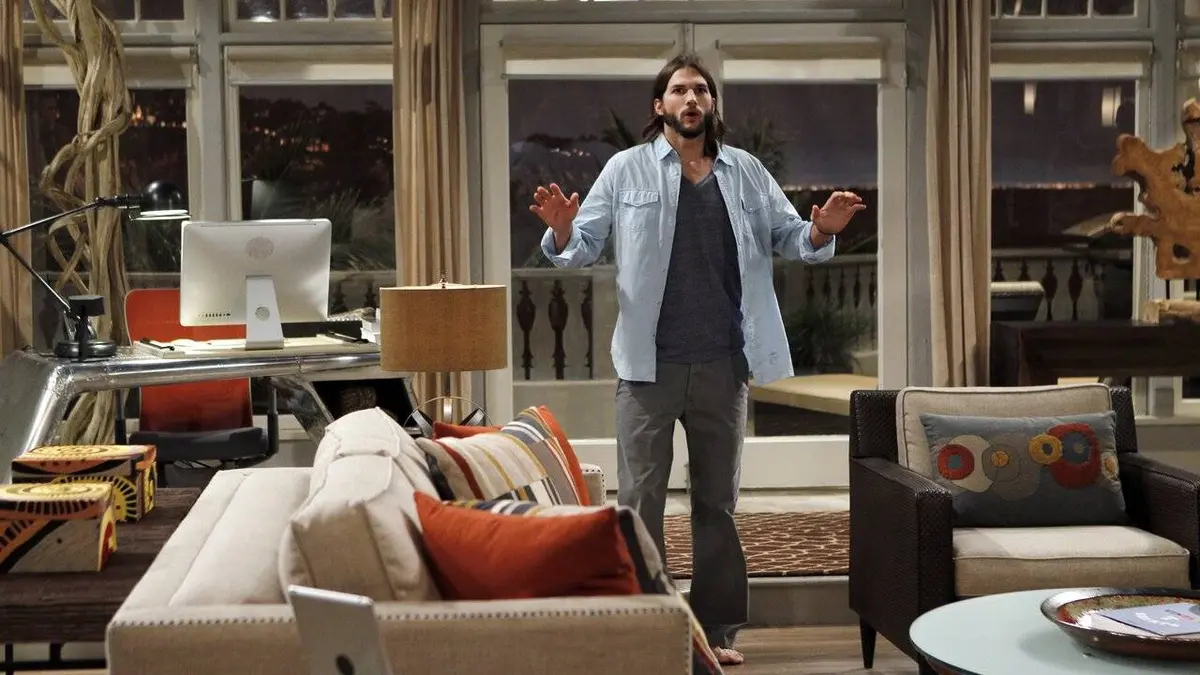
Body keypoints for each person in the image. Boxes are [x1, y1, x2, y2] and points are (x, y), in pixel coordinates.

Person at [530, 52, 864, 666]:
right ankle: (649, 628)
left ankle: (716, 632)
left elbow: (794, 238)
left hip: (723, 365)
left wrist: (823, 230)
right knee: (641, 503)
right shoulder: (625, 170)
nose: (691, 99)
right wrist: (560, 229)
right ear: (659, 105)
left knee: (717, 506)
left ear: (711, 105)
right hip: (646, 369)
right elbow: (580, 249)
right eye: (680, 90)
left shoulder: (746, 172)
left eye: (701, 90)